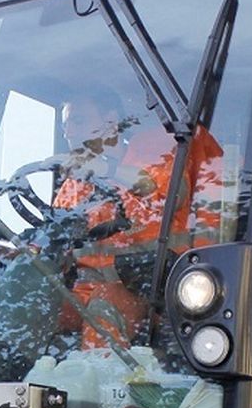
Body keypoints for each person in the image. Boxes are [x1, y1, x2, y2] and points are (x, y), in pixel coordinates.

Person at [51, 92, 226, 351]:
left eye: (77, 121)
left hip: (150, 287)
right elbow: (51, 237)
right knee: (34, 299)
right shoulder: (73, 187)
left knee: (105, 303)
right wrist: (12, 256)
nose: (68, 132)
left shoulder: (156, 155)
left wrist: (105, 170)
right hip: (83, 293)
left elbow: (162, 195)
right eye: (65, 125)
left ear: (111, 121)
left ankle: (100, 381)